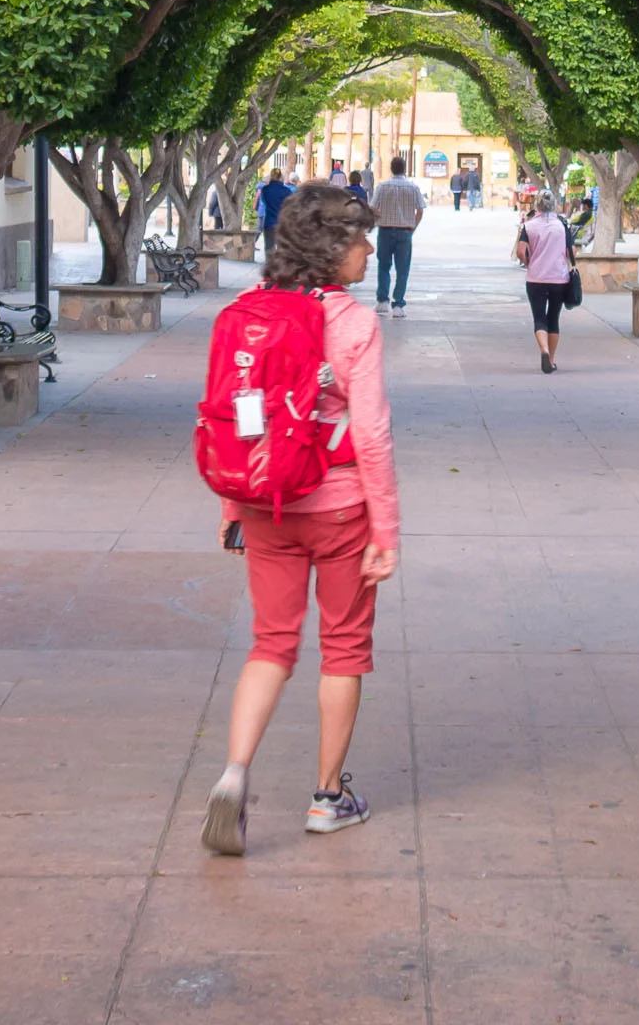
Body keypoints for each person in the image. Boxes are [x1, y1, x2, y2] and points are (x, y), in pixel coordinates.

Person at [203, 185, 400, 856]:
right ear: (329, 248)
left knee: (270, 643)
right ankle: (327, 799)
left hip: (266, 506)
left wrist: (235, 505)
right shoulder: (352, 323)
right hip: (340, 508)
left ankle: (233, 775)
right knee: (343, 647)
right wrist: (387, 531)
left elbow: (237, 416)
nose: (367, 250)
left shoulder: (246, 313)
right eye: (357, 239)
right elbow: (370, 434)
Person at [515, 190, 576, 372]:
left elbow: (520, 251)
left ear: (537, 205)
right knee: (554, 318)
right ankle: (552, 359)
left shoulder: (529, 226)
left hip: (536, 278)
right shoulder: (562, 226)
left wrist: (530, 263)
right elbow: (570, 251)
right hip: (559, 278)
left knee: (539, 317)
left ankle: (544, 350)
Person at [368, 155, 424, 315]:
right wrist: (411, 227)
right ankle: (398, 305)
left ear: (391, 169)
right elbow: (420, 211)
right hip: (405, 232)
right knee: (402, 269)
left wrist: (382, 214)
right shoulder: (413, 188)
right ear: (404, 168)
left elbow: (372, 207)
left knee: (383, 266)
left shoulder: (382, 186)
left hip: (385, 230)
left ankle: (382, 301)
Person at [255, 167, 291, 263]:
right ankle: (281, 267)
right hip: (282, 222)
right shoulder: (286, 191)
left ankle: (270, 266)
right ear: (280, 177)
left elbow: (264, 201)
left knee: (269, 247)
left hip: (269, 221)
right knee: (282, 247)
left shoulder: (265, 190)